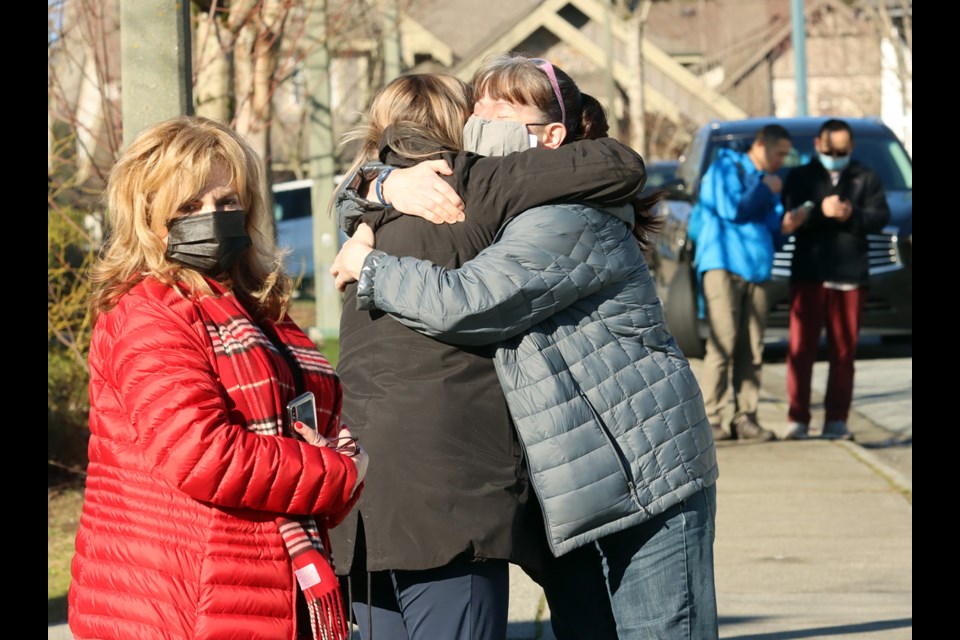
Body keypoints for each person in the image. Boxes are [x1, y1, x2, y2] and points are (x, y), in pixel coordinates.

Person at [332, 53, 720, 639]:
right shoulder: (502, 205)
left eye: (504, 104)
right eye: (477, 100)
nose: (480, 113)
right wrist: (379, 179)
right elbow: (378, 184)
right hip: (569, 482)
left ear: (552, 135)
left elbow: (472, 299)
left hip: (640, 473)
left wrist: (370, 266)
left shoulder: (567, 216)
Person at [68, 115, 369, 640]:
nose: (213, 217)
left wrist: (337, 455)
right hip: (181, 596)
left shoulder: (248, 306)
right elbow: (202, 454)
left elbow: (306, 409)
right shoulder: (149, 314)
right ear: (147, 216)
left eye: (228, 202)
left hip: (249, 583)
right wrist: (337, 472)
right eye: (188, 207)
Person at [693, 123, 806, 442]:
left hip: (757, 269)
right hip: (724, 265)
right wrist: (764, 188)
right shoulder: (727, 167)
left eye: (786, 155)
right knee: (723, 342)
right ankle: (713, 418)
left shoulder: (767, 183)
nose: (781, 160)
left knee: (752, 347)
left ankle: (746, 417)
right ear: (760, 144)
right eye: (779, 153)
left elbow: (772, 231)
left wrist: (787, 226)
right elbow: (731, 209)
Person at [780, 118, 891, 440]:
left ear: (851, 148)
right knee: (801, 349)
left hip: (850, 276)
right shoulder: (801, 176)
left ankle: (836, 419)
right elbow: (787, 216)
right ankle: (797, 418)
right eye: (831, 149)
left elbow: (881, 216)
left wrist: (851, 214)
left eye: (842, 150)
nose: (836, 154)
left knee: (844, 352)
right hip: (809, 274)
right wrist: (818, 212)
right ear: (818, 145)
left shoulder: (865, 176)